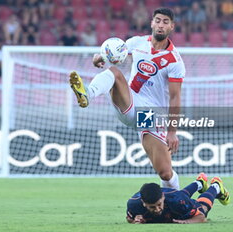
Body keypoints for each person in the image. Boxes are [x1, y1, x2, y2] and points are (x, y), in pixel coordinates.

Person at [69, 8, 185, 190]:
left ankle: (177, 199)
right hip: (129, 102)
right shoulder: (137, 42)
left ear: (172, 26)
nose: (161, 25)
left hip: (151, 116)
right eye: (158, 20)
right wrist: (99, 59)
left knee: (165, 173)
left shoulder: (175, 61)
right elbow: (114, 54)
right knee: (114, 72)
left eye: (165, 22)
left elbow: (176, 97)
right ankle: (87, 94)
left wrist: (172, 132)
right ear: (152, 23)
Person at [126, 173, 230, 224]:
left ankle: (216, 185)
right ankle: (200, 183)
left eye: (159, 205)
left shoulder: (178, 201)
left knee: (202, 208)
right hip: (175, 196)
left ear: (162, 197)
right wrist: (134, 220)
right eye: (152, 207)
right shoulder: (133, 205)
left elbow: (201, 217)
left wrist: (187, 221)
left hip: (176, 199)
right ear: (143, 203)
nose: (157, 209)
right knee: (180, 196)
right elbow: (129, 219)